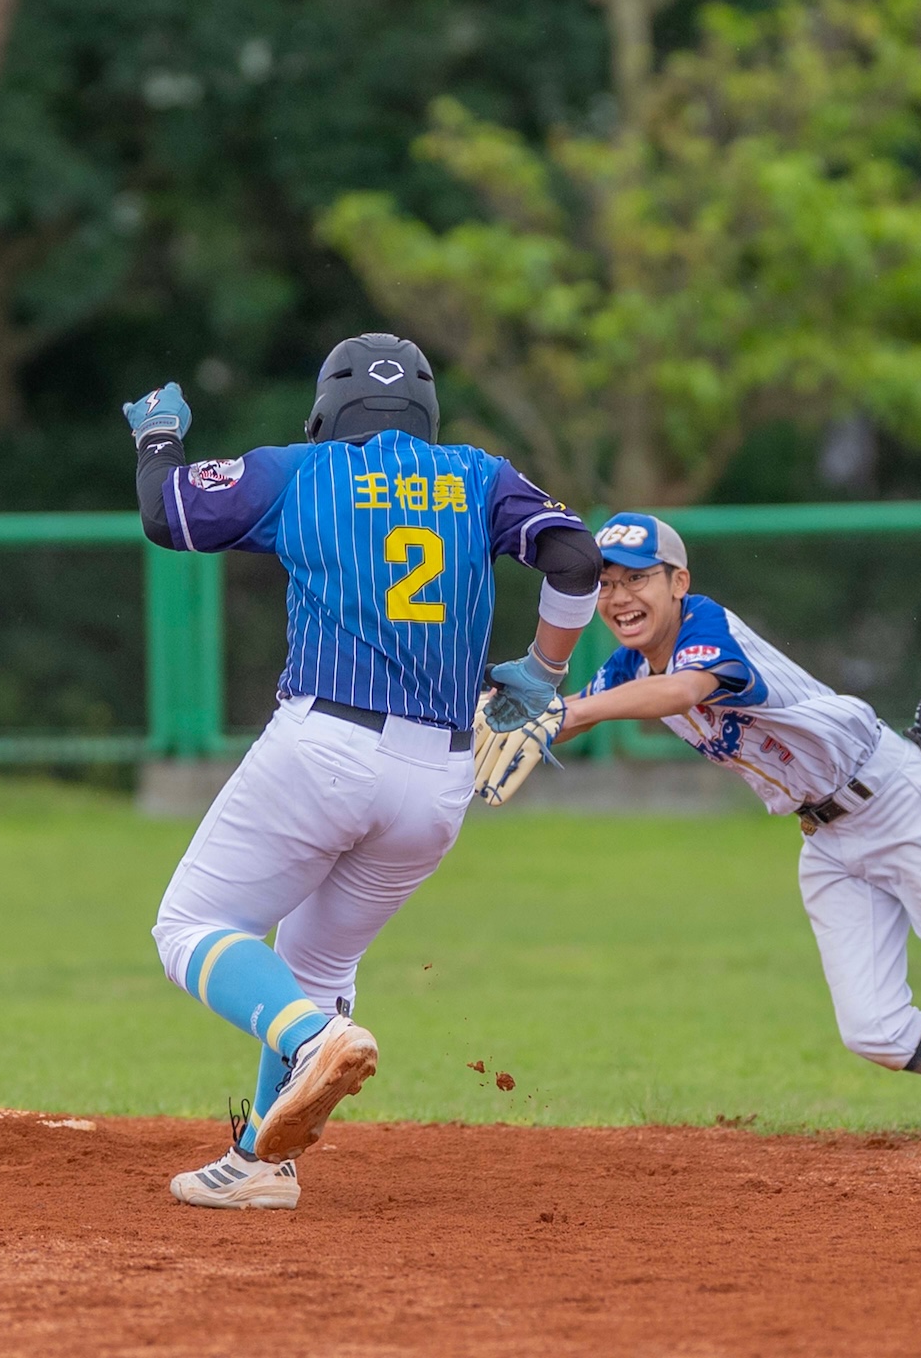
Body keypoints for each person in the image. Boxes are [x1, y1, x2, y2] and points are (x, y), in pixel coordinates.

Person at [479, 512, 921, 1150]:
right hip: (826, 839)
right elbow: (562, 711)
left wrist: (568, 714)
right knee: (875, 1031)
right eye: (604, 584)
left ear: (678, 582)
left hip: (897, 801)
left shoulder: (707, 629)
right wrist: (483, 715)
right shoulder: (627, 666)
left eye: (637, 578)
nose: (619, 597)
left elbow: (677, 692)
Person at [128, 333, 600, 1208]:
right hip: (440, 779)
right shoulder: (481, 475)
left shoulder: (298, 470)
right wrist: (543, 671)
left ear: (327, 406)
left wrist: (159, 434)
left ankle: (311, 1041)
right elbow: (576, 560)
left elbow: (169, 519)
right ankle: (265, 1165)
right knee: (314, 960)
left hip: (328, 743)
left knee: (189, 924)